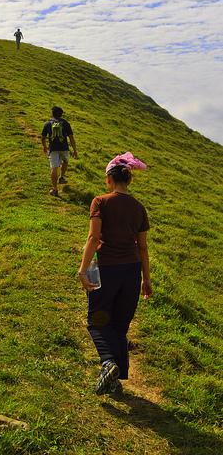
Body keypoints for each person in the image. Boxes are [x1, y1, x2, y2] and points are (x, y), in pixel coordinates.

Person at [77, 152, 152, 395]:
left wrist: (82, 269)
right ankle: (116, 380)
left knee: (97, 321)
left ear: (110, 179)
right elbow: (142, 247)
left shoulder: (100, 201)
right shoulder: (139, 208)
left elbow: (93, 237)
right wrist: (146, 279)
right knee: (120, 325)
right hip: (131, 271)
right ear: (128, 180)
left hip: (106, 268)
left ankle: (108, 363)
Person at [41, 106, 78, 196]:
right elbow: (71, 137)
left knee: (54, 168)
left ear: (52, 113)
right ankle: (61, 177)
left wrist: (45, 146)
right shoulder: (65, 123)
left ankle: (55, 189)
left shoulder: (47, 123)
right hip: (64, 147)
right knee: (65, 162)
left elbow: (43, 137)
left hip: (53, 148)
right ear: (61, 114)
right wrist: (75, 150)